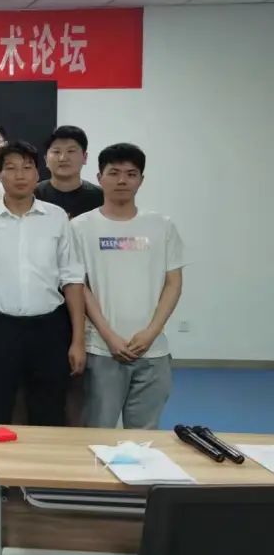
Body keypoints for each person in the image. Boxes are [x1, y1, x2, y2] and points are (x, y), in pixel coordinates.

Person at [0, 140, 86, 546]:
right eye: (11, 167)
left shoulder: (57, 219)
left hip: (50, 330)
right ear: (0, 173)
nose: (19, 175)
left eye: (27, 167)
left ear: (38, 172)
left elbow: (73, 279)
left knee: (48, 423)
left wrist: (78, 339)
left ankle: (43, 511)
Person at [73, 144, 184, 429]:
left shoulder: (162, 226)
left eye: (131, 174)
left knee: (146, 435)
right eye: (114, 173)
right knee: (97, 432)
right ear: (99, 177)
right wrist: (109, 336)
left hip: (153, 350)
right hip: (101, 349)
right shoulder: (80, 227)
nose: (122, 180)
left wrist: (151, 332)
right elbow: (79, 286)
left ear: (141, 180)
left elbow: (173, 283)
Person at [36, 125, 104, 219]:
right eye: (56, 152)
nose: (63, 158)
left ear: (84, 157)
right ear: (46, 160)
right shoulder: (32, 195)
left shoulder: (102, 197)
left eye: (71, 151)